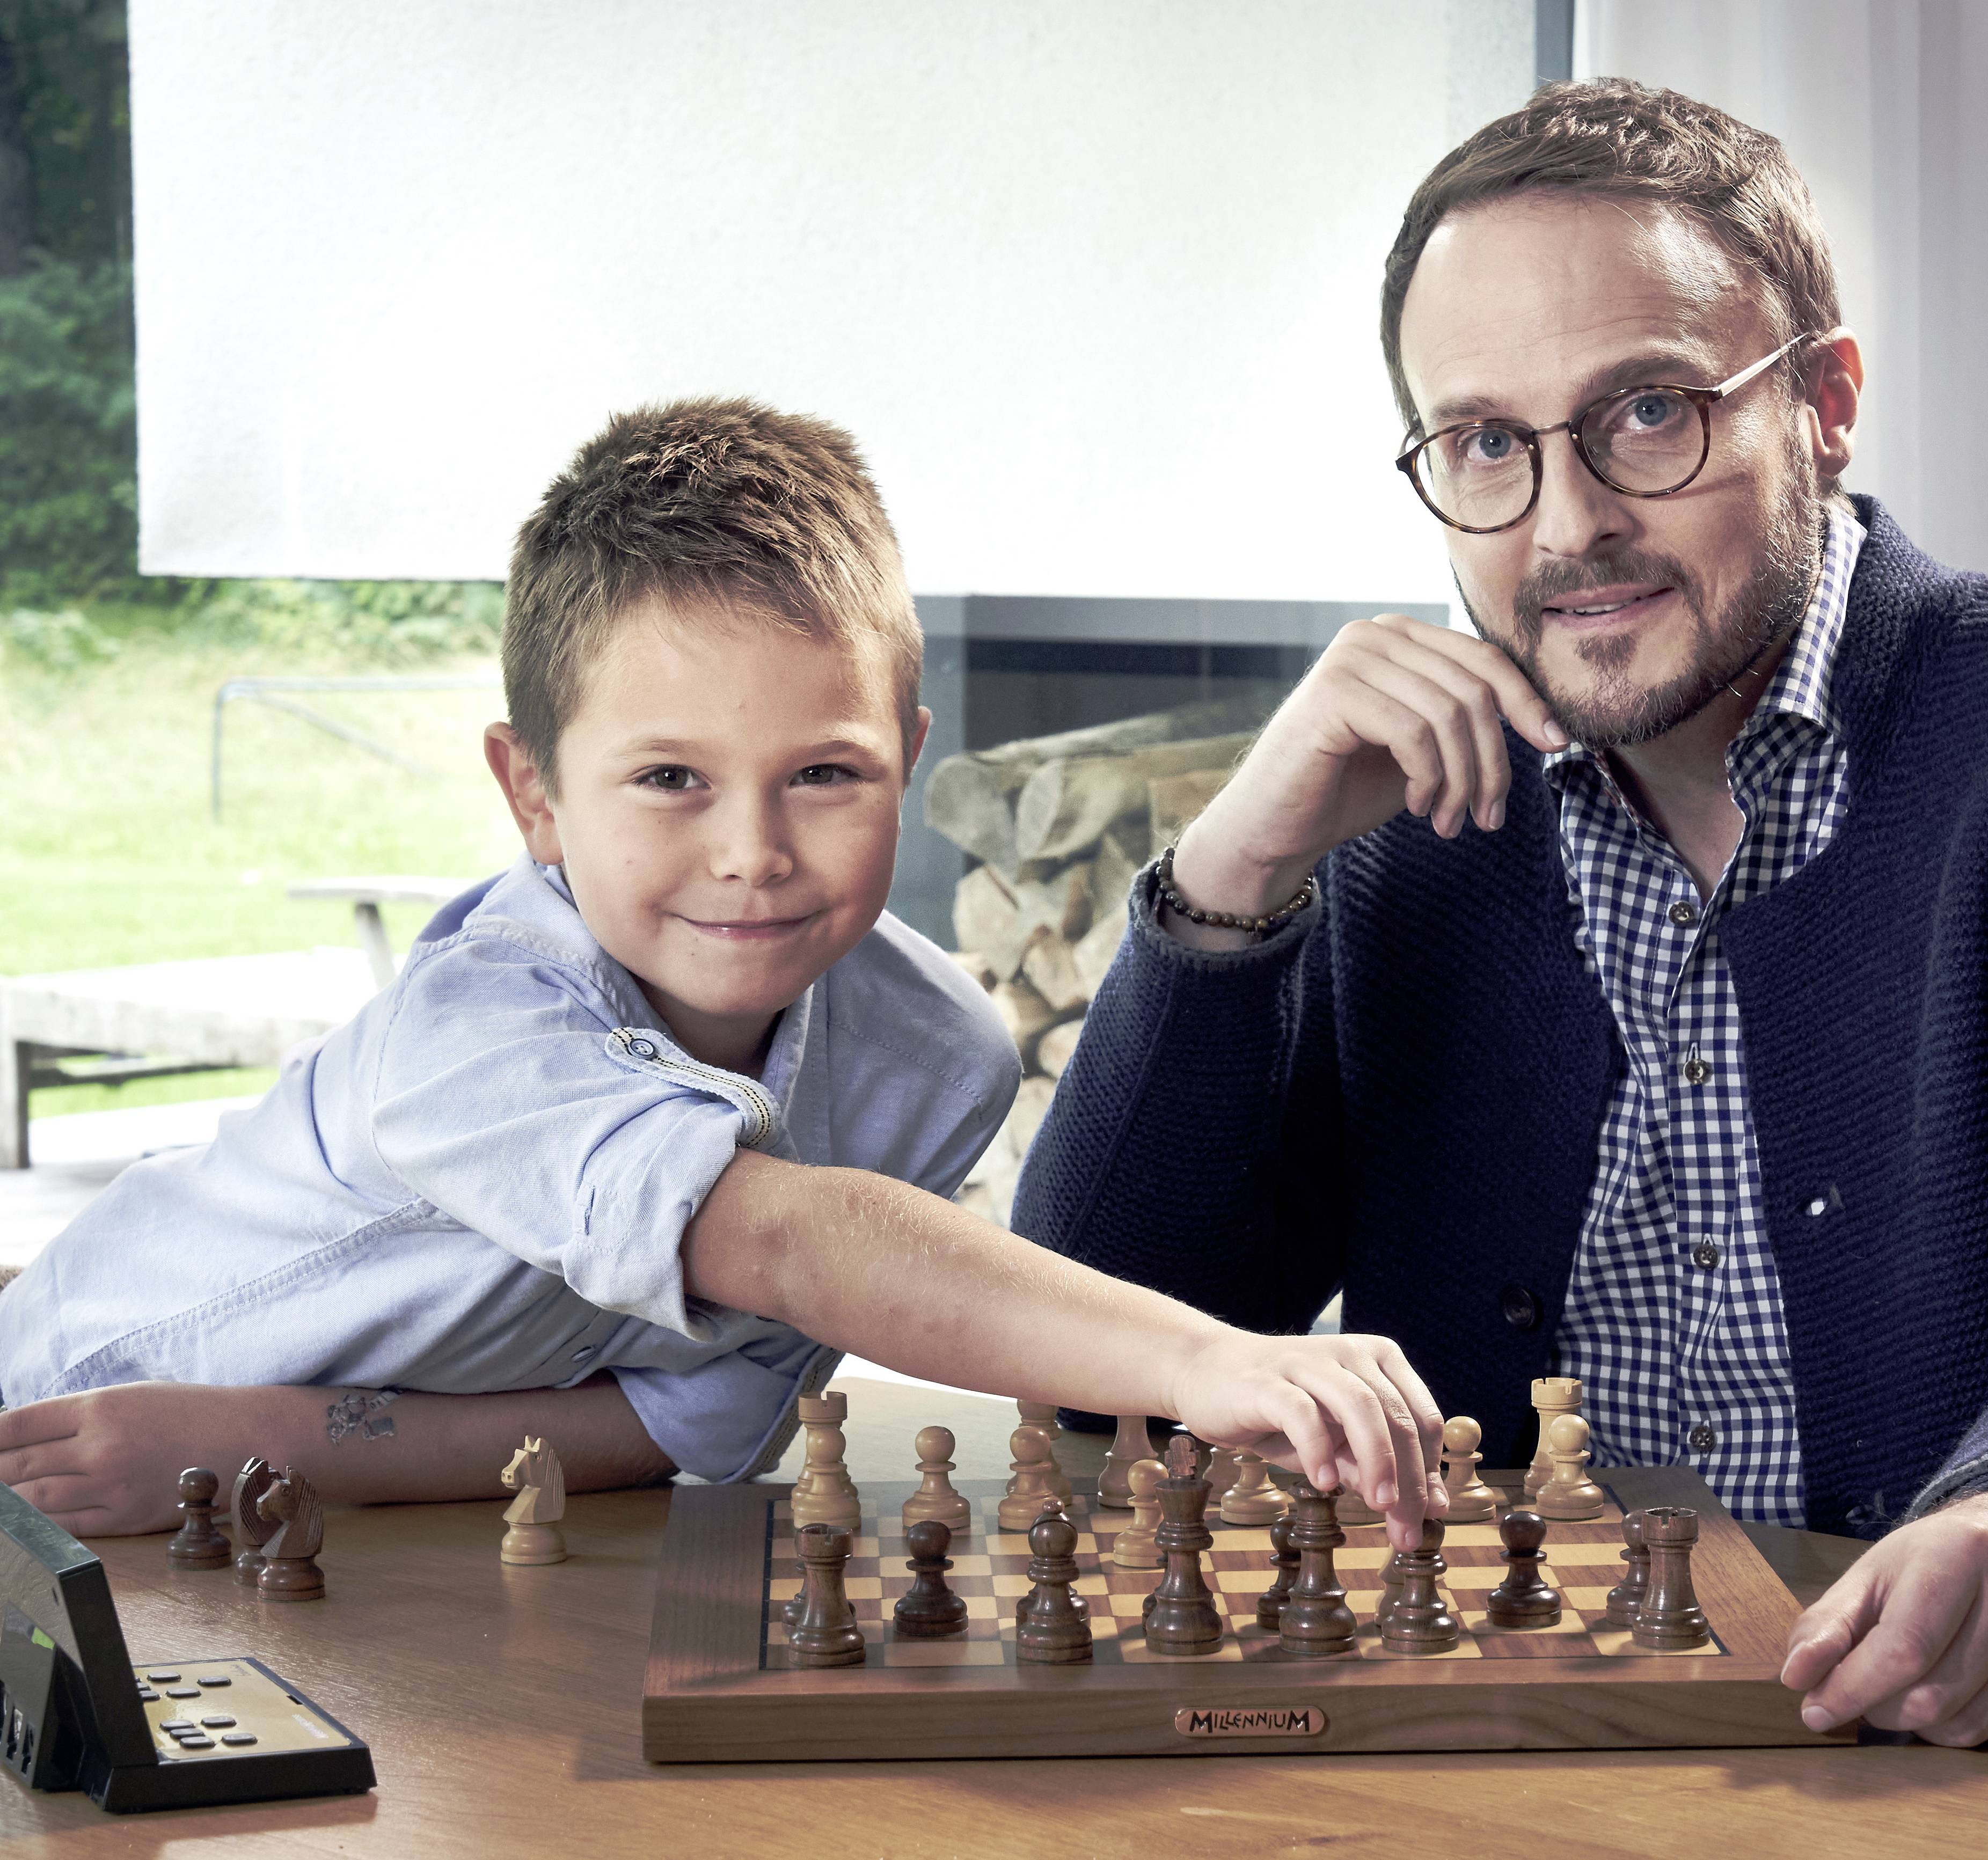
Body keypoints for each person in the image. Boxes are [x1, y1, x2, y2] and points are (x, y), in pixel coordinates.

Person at [1017, 80, 1988, 1746]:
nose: (1568, 525)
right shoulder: (1402, 820)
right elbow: (1088, 1365)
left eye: (1648, 411)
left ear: (1825, 403)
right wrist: (1228, 877)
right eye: (1488, 443)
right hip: (1550, 1732)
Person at [0, 398, 1444, 1543]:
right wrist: (1209, 1361)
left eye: (823, 771)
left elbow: (680, 1428)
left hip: (263, 1497)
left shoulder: (931, 1053)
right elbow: (783, 1240)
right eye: (670, 777)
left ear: (912, 759)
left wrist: (262, 1444)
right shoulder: (478, 1025)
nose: (752, 849)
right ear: (535, 794)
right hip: (45, 1434)